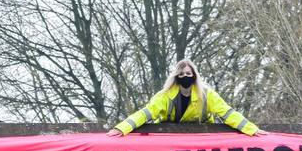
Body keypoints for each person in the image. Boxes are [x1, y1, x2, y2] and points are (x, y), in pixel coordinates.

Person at [108, 59, 262, 136]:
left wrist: (252, 129)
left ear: (194, 76)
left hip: (201, 137)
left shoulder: (207, 95)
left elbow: (227, 113)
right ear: (176, 77)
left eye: (188, 74)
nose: (185, 77)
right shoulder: (164, 96)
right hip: (169, 137)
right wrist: (122, 128)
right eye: (181, 74)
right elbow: (146, 113)